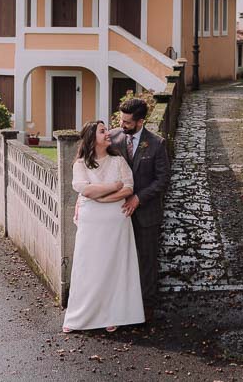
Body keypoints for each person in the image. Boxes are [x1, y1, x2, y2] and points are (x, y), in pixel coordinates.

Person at [62, 121, 144, 333]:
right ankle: (77, 316)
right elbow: (84, 189)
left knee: (113, 268)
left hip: (116, 221)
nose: (108, 133)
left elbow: (128, 187)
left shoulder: (118, 161)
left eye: (106, 129)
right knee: (86, 267)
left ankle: (112, 314)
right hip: (91, 223)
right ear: (92, 137)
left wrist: (106, 198)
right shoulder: (80, 164)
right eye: (102, 131)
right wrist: (112, 186)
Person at [109, 97, 170, 321]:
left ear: (140, 121)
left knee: (147, 260)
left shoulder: (156, 144)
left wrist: (138, 198)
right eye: (121, 120)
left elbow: (162, 180)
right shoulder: (112, 138)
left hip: (146, 214)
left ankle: (146, 307)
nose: (122, 125)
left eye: (127, 122)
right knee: (120, 260)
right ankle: (122, 304)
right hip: (117, 214)